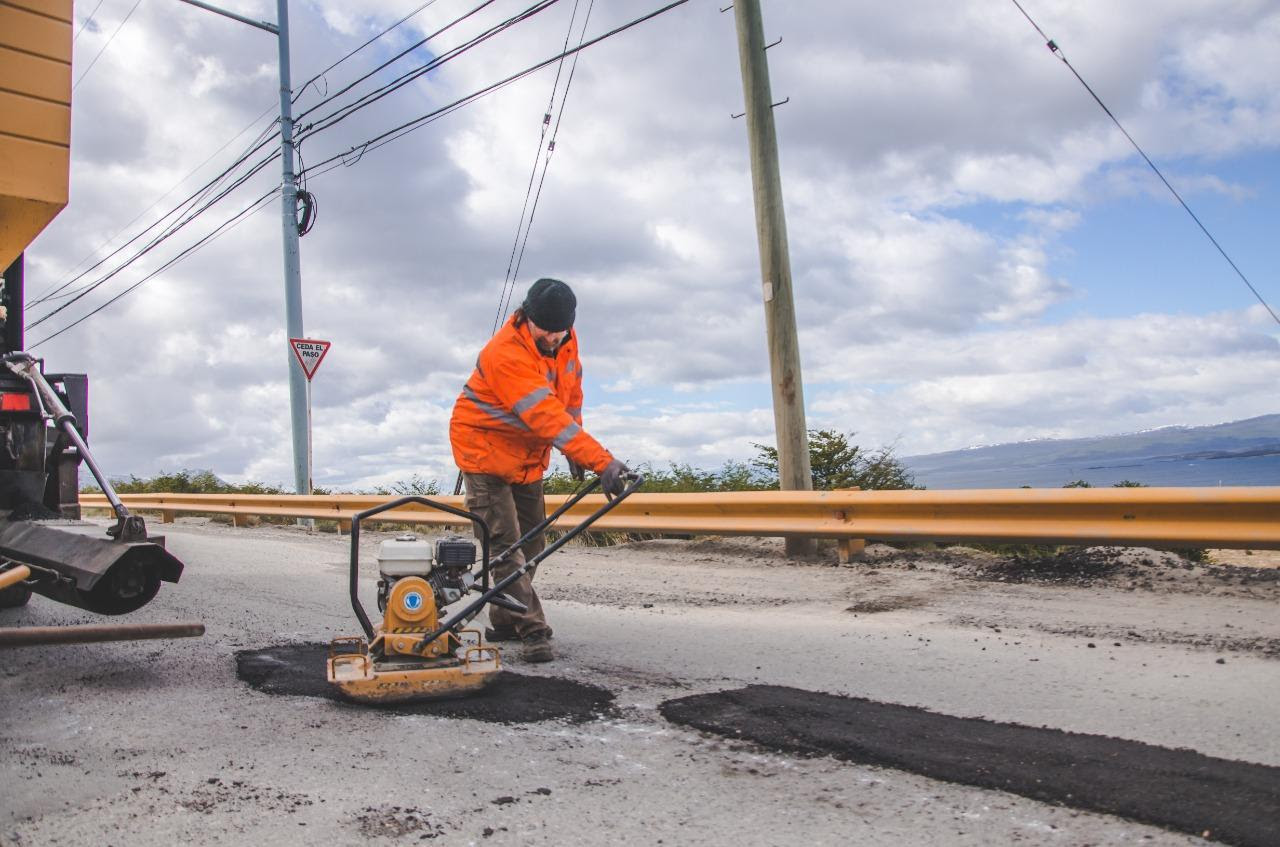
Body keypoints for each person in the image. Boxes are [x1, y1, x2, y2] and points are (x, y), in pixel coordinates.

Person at [450, 278, 629, 663]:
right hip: (484, 452)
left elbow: (570, 397)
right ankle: (533, 629)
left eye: (558, 330)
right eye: (543, 330)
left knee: (532, 543)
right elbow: (545, 415)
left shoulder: (566, 340)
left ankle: (503, 618)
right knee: (507, 546)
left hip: (528, 457)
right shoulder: (505, 354)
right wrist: (601, 459)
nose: (551, 337)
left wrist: (577, 451)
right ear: (526, 318)